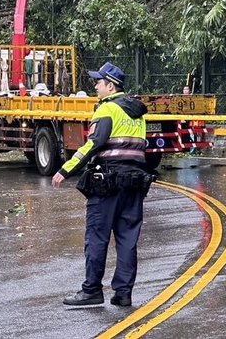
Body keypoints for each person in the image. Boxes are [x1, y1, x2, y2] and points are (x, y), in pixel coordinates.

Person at [51, 62, 155, 307]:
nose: (95, 86)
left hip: (107, 182)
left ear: (110, 86)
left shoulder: (107, 110)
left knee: (97, 237)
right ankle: (123, 293)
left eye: (98, 82)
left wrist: (66, 169)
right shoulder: (136, 114)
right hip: (134, 182)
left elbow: (93, 144)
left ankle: (91, 291)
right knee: (127, 240)